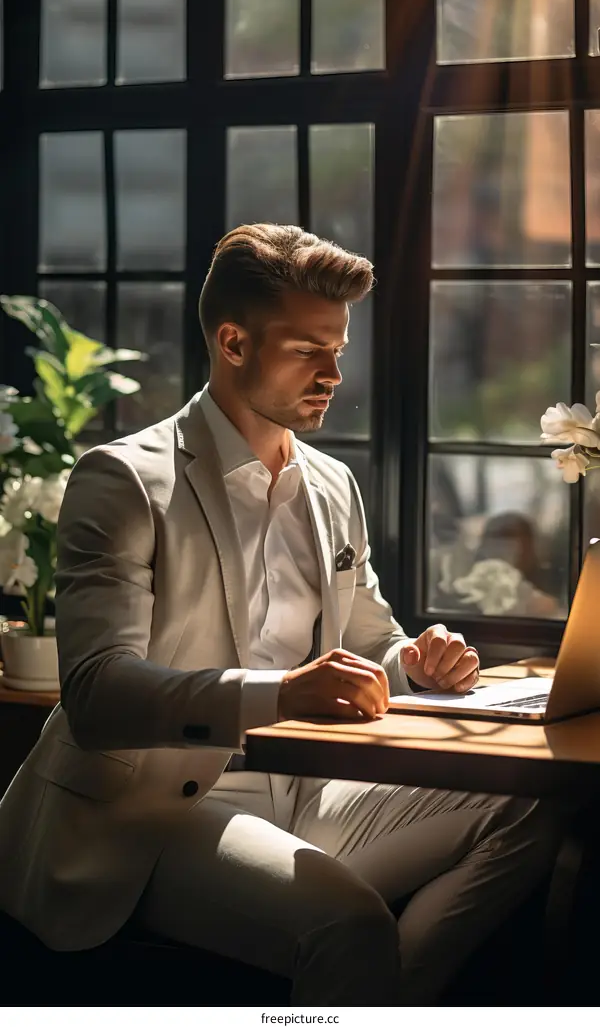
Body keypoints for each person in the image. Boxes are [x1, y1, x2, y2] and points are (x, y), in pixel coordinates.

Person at [0, 225, 561, 1006]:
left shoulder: (332, 486)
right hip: (149, 818)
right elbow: (96, 694)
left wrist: (416, 661)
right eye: (308, 349)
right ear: (233, 342)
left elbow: (374, 641)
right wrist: (280, 695)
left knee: (546, 801)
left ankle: (384, 1003)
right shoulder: (124, 479)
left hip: (312, 795)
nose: (334, 372)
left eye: (337, 346)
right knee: (350, 927)